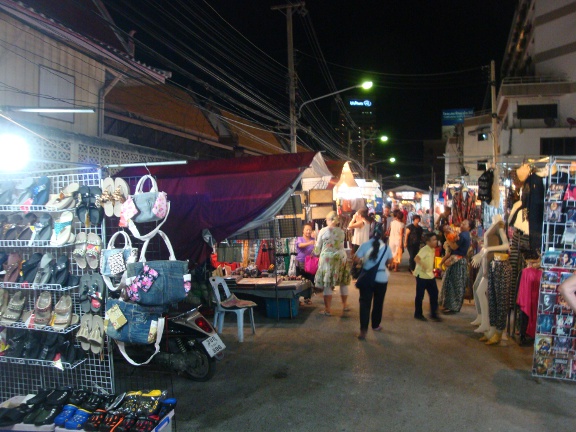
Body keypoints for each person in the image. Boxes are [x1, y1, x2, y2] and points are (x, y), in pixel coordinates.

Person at [353, 224, 393, 340]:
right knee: (378, 302)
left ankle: (363, 331)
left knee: (365, 304)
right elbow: (390, 261)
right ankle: (375, 325)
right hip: (382, 278)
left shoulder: (365, 245)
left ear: (371, 233)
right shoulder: (386, 247)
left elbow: (356, 258)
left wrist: (363, 262)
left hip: (367, 278)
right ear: (382, 235)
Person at [313, 211, 351, 316]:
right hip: (341, 258)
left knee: (327, 284)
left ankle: (328, 309)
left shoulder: (323, 231)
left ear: (329, 220)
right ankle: (345, 305)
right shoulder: (341, 231)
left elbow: (317, 248)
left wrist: (315, 252)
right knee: (343, 283)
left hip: (327, 260)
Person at [439, 219, 473, 314]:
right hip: (458, 261)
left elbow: (454, 247)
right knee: (453, 284)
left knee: (455, 285)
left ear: (469, 227)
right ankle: (450, 305)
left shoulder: (463, 235)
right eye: (462, 223)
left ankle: (453, 307)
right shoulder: (463, 234)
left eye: (464, 224)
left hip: (457, 261)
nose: (462, 225)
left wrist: (447, 239)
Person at [413, 232, 441, 322]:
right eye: (433, 240)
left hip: (430, 275)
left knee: (434, 294)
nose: (436, 241)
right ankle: (418, 314)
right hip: (421, 276)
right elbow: (416, 258)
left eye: (436, 239)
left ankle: (433, 314)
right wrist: (423, 265)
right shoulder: (425, 249)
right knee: (420, 296)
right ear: (428, 242)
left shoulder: (432, 249)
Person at [295, 222, 316, 299]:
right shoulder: (299, 238)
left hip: (310, 264)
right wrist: (310, 243)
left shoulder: (313, 239)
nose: (308, 232)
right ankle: (298, 300)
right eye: (307, 230)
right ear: (303, 231)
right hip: (301, 263)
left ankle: (307, 298)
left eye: (310, 230)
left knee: (309, 280)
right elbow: (300, 245)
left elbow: (316, 249)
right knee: (299, 281)